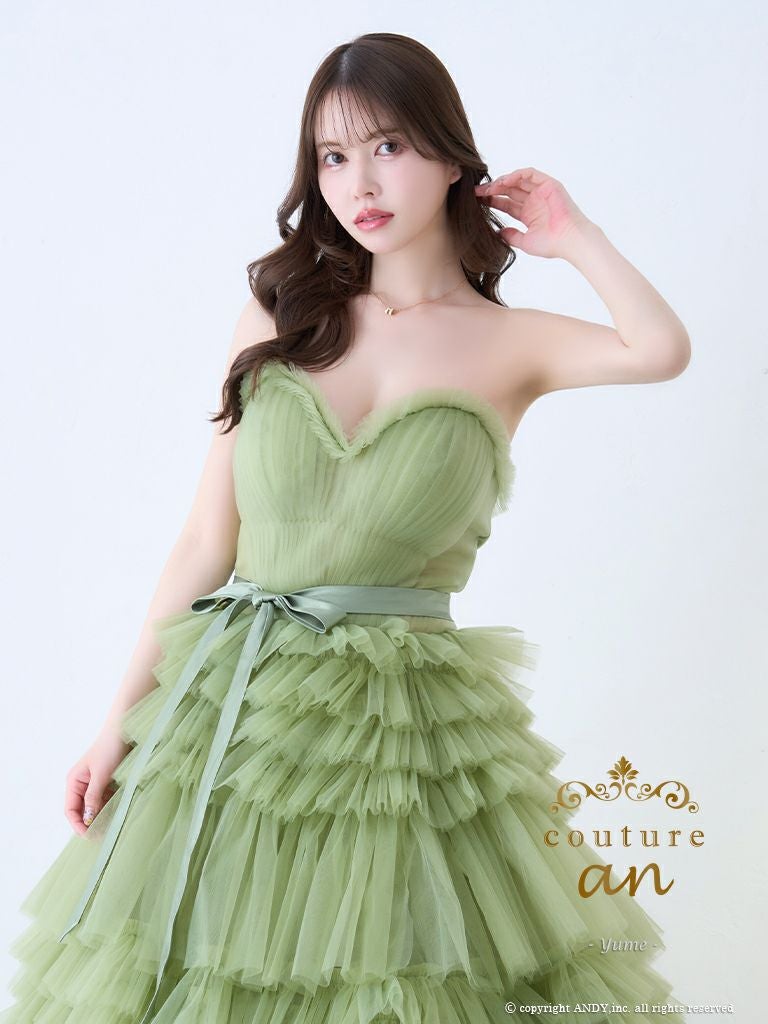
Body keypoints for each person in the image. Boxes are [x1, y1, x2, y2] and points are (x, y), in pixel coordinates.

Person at [1, 31, 691, 1024]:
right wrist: (116, 724)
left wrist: (572, 233)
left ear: (451, 157)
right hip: (231, 712)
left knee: (395, 984)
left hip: (404, 727)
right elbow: (205, 542)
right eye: (332, 156)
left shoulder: (511, 344)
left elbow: (658, 349)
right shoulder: (277, 315)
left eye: (388, 147)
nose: (358, 182)